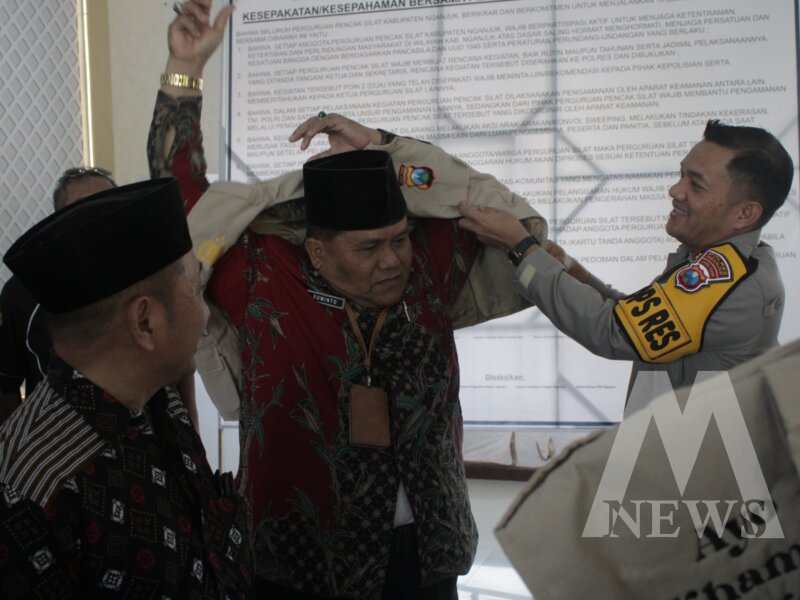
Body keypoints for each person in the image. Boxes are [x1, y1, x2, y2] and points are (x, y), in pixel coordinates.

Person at [149, 2, 547, 598]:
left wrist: (385, 145)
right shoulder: (262, 275)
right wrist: (185, 72)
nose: (391, 262)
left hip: (427, 547)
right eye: (367, 249)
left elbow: (511, 218)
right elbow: (178, 198)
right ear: (317, 251)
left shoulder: (430, 263)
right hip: (299, 554)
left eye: (398, 241)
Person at [0, 178, 251, 598]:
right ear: (145, 322)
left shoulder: (159, 399)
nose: (206, 315)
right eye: (194, 288)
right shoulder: (34, 490)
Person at [459, 120, 791, 412]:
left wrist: (522, 249)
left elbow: (612, 331)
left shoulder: (725, 279)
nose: (675, 190)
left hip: (691, 472)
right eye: (681, 176)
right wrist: (571, 270)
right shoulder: (731, 263)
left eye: (696, 184)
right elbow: (635, 317)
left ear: (745, 214)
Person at [0, 167, 115, 423]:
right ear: (59, 220)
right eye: (83, 210)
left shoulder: (146, 276)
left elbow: (179, 372)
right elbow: (6, 386)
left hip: (145, 445)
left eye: (106, 206)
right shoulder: (23, 292)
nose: (96, 219)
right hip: (59, 446)